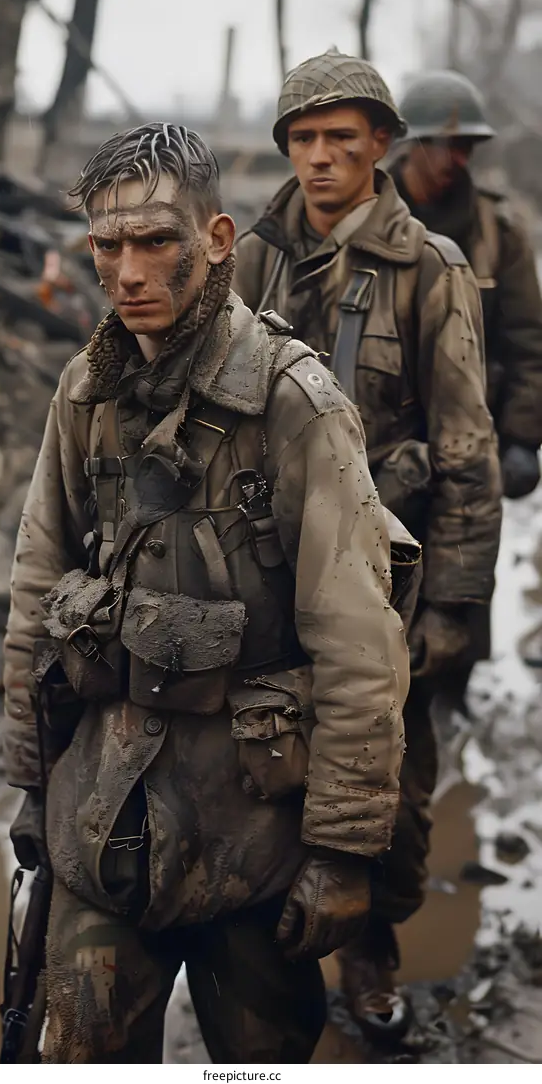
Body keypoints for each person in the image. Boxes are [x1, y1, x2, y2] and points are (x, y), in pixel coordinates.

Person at [3, 122, 411, 1064]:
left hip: (255, 840)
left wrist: (344, 851)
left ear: (217, 240)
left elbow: (359, 643)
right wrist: (31, 783)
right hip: (102, 823)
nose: (129, 271)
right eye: (108, 245)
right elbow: (33, 596)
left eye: (158, 242)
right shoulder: (85, 395)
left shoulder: (294, 405)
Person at [233, 50, 502, 1040]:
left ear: (382, 147)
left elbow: (467, 450)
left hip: (391, 584)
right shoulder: (252, 257)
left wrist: (453, 606)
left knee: (393, 785)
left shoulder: (429, 267)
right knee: (264, 760)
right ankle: (269, 954)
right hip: (271, 575)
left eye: (341, 140)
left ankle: (372, 945)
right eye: (302, 140)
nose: (319, 160)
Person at [391, 70, 542, 682]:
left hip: (468, 443)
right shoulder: (371, 217)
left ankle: (449, 700)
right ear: (411, 145)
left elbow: (529, 343)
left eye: (467, 147)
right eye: (446, 144)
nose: (459, 158)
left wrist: (521, 438)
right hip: (385, 436)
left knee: (459, 592)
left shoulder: (496, 231)